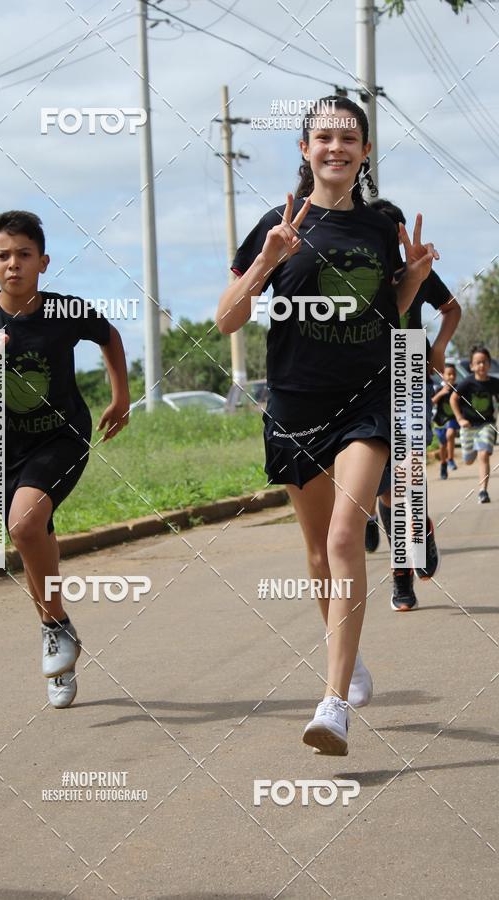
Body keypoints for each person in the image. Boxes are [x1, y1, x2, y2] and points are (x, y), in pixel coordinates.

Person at [217, 96, 437, 755]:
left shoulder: (381, 224)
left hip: (367, 400)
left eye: (349, 138)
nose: (336, 147)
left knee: (346, 536)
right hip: (295, 405)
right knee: (317, 554)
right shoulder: (276, 222)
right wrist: (266, 260)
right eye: (324, 138)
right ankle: (352, 659)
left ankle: (333, 702)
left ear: (365, 152)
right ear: (306, 150)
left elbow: (384, 313)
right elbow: (227, 318)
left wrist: (413, 280)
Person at [0, 211, 130, 708]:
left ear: (43, 262)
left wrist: (120, 396)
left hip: (61, 438)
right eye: (4, 256)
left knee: (23, 527)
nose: (13, 264)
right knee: (35, 535)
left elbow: (109, 337)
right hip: (1, 447)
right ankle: (55, 630)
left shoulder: (64, 311)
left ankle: (56, 629)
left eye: (24, 255)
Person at [362, 199, 461, 611]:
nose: (393, 242)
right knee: (384, 491)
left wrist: (437, 348)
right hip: (363, 385)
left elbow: (451, 309)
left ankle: (403, 576)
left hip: (408, 372)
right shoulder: (355, 277)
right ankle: (408, 538)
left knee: (403, 485)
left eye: (397, 234)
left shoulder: (415, 274)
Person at [450, 344, 499, 503]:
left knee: (483, 454)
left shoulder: (494, 383)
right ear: (471, 366)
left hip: (487, 424)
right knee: (469, 460)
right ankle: (469, 455)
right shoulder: (467, 383)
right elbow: (453, 399)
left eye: (484, 362)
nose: (481, 365)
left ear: (489, 364)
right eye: (477, 362)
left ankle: (482, 491)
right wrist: (459, 419)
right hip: (468, 426)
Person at [432, 364, 460, 480]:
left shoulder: (458, 388)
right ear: (443, 375)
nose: (451, 376)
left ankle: (451, 459)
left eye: (453, 374)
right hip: (440, 420)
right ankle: (443, 464)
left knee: (450, 434)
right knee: (442, 445)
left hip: (452, 419)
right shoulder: (438, 389)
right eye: (449, 374)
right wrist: (441, 393)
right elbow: (432, 402)